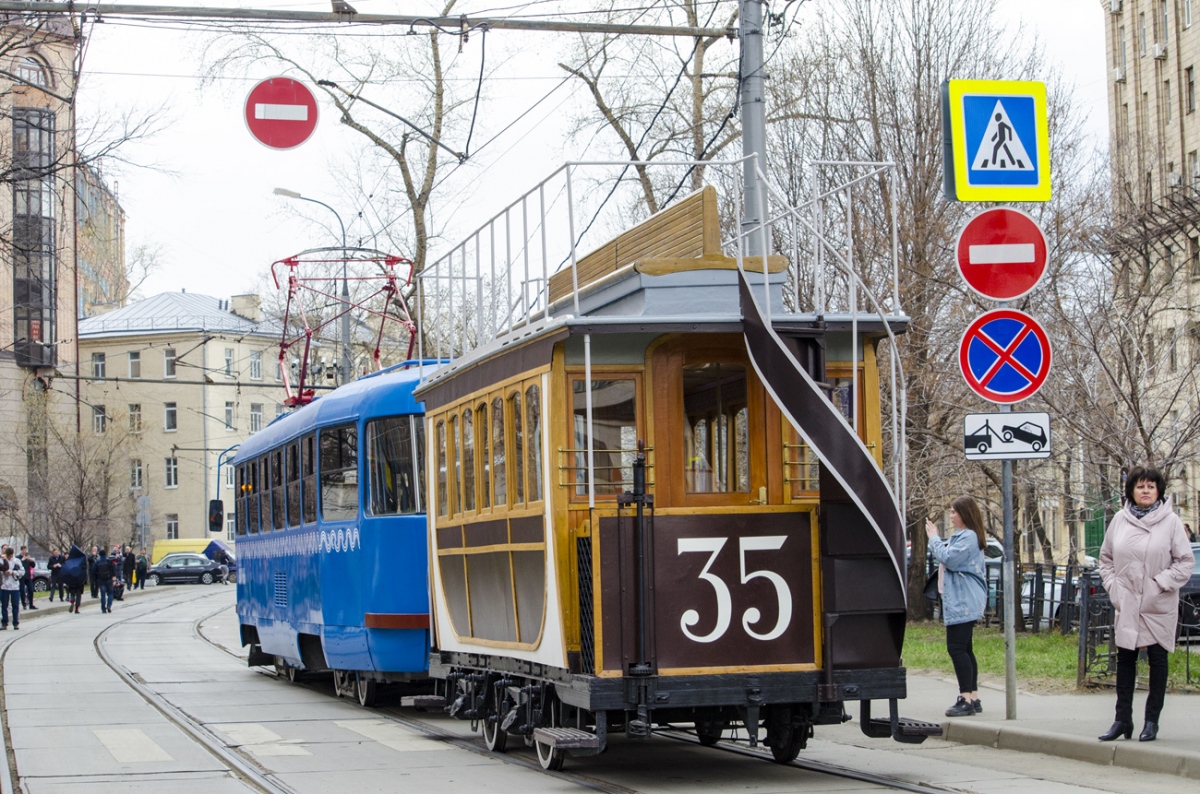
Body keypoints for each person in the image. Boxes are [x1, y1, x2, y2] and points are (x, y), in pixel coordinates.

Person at [1097, 466, 1194, 743]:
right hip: (1127, 601)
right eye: (1140, 486)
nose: (1146, 491)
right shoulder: (1119, 519)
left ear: (1159, 491)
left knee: (1157, 660)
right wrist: (1115, 588)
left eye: (1151, 486)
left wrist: (1160, 583)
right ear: (1131, 491)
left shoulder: (1171, 521)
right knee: (1125, 660)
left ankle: (1152, 721)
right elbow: (1106, 559)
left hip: (1157, 603)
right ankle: (1122, 720)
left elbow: (1185, 562)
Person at [925, 495, 988, 718]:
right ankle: (974, 697)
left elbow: (948, 559)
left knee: (957, 648)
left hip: (964, 601)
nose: (950, 516)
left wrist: (933, 538)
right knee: (965, 649)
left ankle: (965, 699)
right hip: (964, 600)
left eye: (953, 512)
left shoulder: (968, 537)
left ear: (964, 514)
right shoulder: (966, 536)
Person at [61, 545, 88, 615]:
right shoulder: (81, 560)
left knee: (72, 593)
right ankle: (76, 609)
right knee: (79, 595)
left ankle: (72, 601)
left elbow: (64, 571)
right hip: (80, 580)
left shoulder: (69, 561)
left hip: (71, 580)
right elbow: (85, 570)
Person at [1, 547, 23, 629]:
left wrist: (13, 572)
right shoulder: (2, 560)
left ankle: (15, 623)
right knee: (4, 605)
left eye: (10, 556)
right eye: (8, 556)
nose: (9, 557)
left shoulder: (17, 561)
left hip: (14, 586)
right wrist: (4, 572)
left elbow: (22, 572)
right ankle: (4, 622)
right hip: (5, 585)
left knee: (15, 605)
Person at [93, 549, 117, 614]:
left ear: (100, 555)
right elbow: (113, 570)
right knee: (110, 593)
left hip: (101, 580)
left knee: (103, 594)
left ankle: (103, 608)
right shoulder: (109, 561)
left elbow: (94, 571)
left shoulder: (97, 562)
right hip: (109, 579)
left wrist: (96, 579)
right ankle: (109, 605)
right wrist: (114, 578)